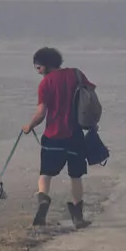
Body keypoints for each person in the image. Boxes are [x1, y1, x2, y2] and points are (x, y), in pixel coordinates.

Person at [22, 47, 93, 229]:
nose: (38, 71)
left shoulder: (46, 84)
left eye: (37, 67)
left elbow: (41, 113)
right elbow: (90, 97)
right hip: (76, 134)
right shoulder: (76, 74)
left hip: (53, 136)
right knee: (76, 176)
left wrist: (29, 126)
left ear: (44, 65)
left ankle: (43, 203)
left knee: (45, 174)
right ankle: (78, 216)